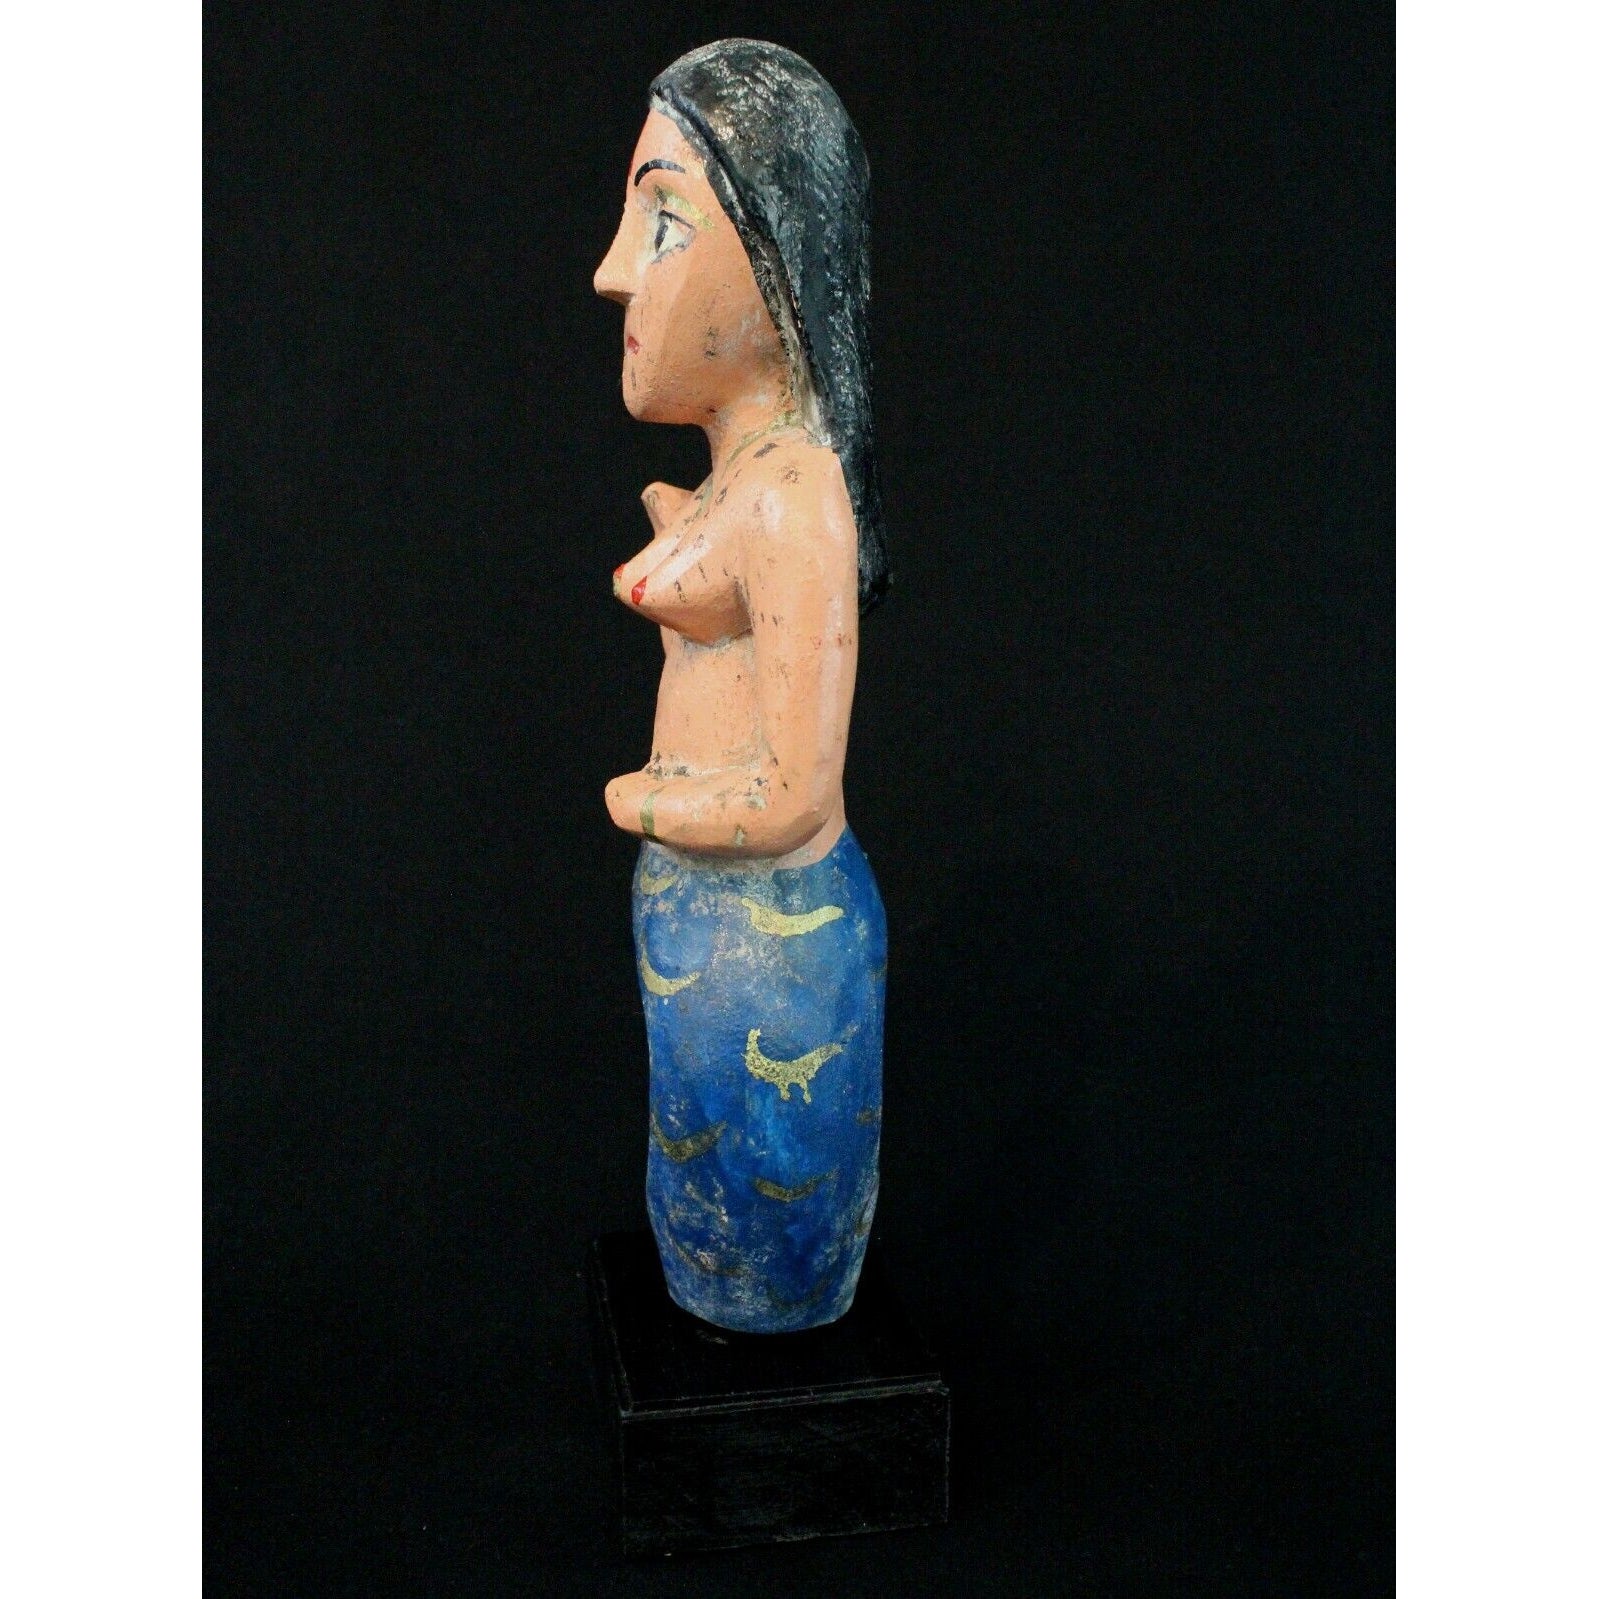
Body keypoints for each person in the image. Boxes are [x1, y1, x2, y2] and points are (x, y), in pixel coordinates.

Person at [593, 40, 890, 1332]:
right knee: (697, 1179)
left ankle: (779, 1317)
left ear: (776, 260)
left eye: (661, 222)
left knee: (770, 1207)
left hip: (778, 939)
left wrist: (643, 802)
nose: (614, 271)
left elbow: (793, 795)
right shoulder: (749, 480)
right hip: (703, 930)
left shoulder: (794, 493)